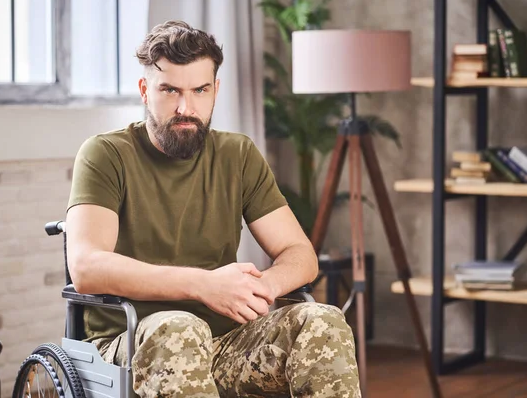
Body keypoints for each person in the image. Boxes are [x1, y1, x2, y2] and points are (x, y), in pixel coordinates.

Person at [65, 20, 361, 398]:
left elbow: (300, 254)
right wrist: (205, 285)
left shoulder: (237, 154)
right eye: (169, 90)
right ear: (144, 90)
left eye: (200, 90)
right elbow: (87, 266)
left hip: (225, 344)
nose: (186, 107)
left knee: (323, 320)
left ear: (216, 90)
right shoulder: (105, 154)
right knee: (180, 328)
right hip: (130, 342)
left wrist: (263, 287)